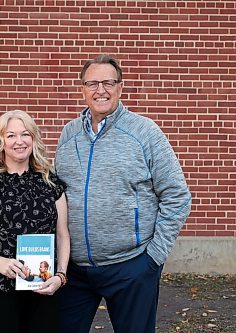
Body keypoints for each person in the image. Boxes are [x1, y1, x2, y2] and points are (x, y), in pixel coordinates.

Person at [55, 54, 192, 333]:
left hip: (131, 267)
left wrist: (153, 257)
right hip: (75, 270)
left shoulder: (145, 132)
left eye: (108, 82)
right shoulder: (68, 134)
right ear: (82, 89)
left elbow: (177, 195)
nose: (100, 90)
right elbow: (57, 195)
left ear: (120, 87)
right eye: (92, 83)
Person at [0, 110, 70, 333]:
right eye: (11, 135)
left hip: (43, 286)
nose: (19, 141)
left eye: (25, 134)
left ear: (34, 139)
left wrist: (61, 276)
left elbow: (63, 234)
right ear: (1, 141)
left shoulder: (51, 183)